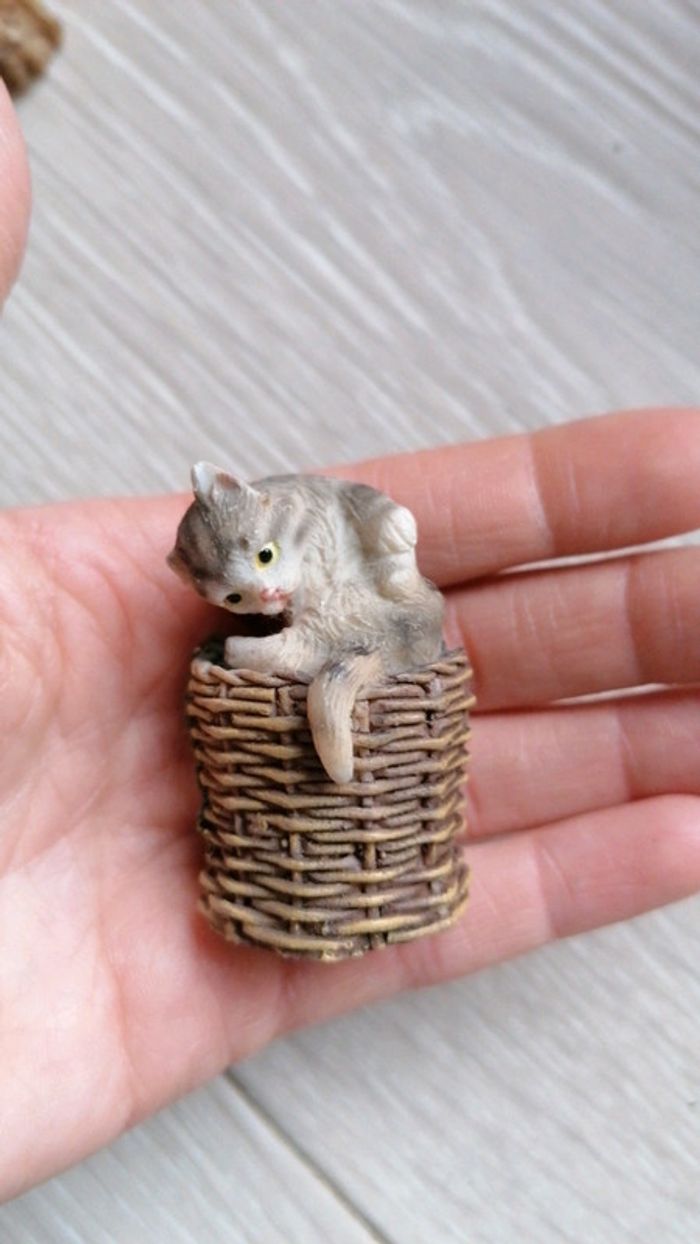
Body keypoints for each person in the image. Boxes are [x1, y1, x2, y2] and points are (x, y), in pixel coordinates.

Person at [0, 83, 699, 1202]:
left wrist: (359, 583)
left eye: (259, 565)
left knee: (328, 644)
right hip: (312, 744)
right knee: (274, 665)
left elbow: (359, 558)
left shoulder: (314, 521)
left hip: (376, 636)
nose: (258, 592)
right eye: (234, 591)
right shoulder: (243, 609)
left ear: (262, 514)